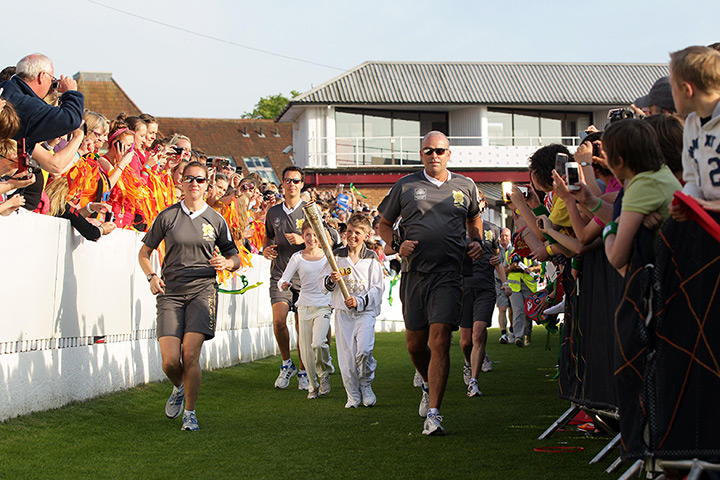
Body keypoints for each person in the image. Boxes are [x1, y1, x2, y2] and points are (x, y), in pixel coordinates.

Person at [377, 131, 483, 436]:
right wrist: (397, 244)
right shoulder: (405, 186)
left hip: (449, 274)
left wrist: (475, 241)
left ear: (449, 154)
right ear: (421, 155)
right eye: (428, 151)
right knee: (415, 345)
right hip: (414, 274)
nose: (434, 156)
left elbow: (474, 219)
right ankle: (426, 382)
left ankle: (435, 414)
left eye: (439, 151)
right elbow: (384, 224)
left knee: (439, 340)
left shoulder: (466, 185)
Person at [138, 160, 240, 431]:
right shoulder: (168, 216)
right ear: (181, 182)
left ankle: (190, 414)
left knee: (190, 353)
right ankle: (179, 387)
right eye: (190, 178)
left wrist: (227, 264)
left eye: (200, 179)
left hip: (202, 290)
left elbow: (235, 257)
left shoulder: (216, 220)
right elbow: (144, 253)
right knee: (170, 361)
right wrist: (152, 276)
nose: (194, 183)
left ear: (207, 185)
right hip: (170, 292)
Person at [0, 53, 84, 211]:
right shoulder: (23, 104)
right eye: (52, 81)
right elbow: (69, 119)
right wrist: (71, 93)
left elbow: (54, 164)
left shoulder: (8, 92)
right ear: (42, 76)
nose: (51, 87)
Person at [601, 119, 681, 273]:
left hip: (666, 280)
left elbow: (617, 258)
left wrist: (611, 228)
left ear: (618, 161)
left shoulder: (643, 185)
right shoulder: (660, 173)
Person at [322, 213, 384, 408]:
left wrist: (359, 301)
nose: (352, 236)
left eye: (357, 232)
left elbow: (377, 288)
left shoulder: (371, 257)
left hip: (365, 313)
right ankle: (352, 395)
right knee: (347, 357)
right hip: (343, 314)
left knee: (364, 350)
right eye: (349, 231)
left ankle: (366, 385)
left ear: (366, 235)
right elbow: (323, 284)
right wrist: (331, 280)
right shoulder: (336, 256)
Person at [263, 166, 309, 390]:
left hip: (305, 275)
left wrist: (303, 240)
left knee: (302, 327)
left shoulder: (310, 210)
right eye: (288, 180)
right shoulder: (273, 212)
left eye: (296, 181)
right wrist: (266, 250)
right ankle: (286, 363)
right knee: (279, 320)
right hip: (280, 273)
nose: (292, 184)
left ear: (302, 184)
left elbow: (323, 238)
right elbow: (268, 238)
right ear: (282, 183)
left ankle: (303, 370)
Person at [460, 206, 511, 396]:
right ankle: (468, 363)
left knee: (478, 333)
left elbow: (496, 259)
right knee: (465, 342)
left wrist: (505, 283)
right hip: (464, 289)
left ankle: (474, 381)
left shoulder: (493, 229)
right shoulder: (456, 228)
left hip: (485, 288)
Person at [278, 221, 332, 399]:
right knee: (306, 350)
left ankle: (323, 373)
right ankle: (312, 385)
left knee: (318, 343)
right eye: (308, 235)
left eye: (315, 235)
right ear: (303, 236)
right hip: (304, 306)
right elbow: (282, 280)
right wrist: (284, 285)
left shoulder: (328, 256)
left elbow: (337, 279)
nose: (311, 239)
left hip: (323, 305)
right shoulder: (297, 257)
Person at [666, 46, 720, 218]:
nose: (671, 93)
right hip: (710, 220)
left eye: (672, 87)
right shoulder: (691, 124)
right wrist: (686, 201)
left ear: (687, 90)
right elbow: (692, 179)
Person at [495, 227, 513, 344]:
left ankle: (512, 330)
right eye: (502, 236)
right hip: (499, 282)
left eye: (506, 236)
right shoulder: (495, 249)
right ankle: (503, 334)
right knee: (502, 308)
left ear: (510, 237)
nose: (504, 238)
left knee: (512, 310)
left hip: (515, 283)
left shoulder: (515, 249)